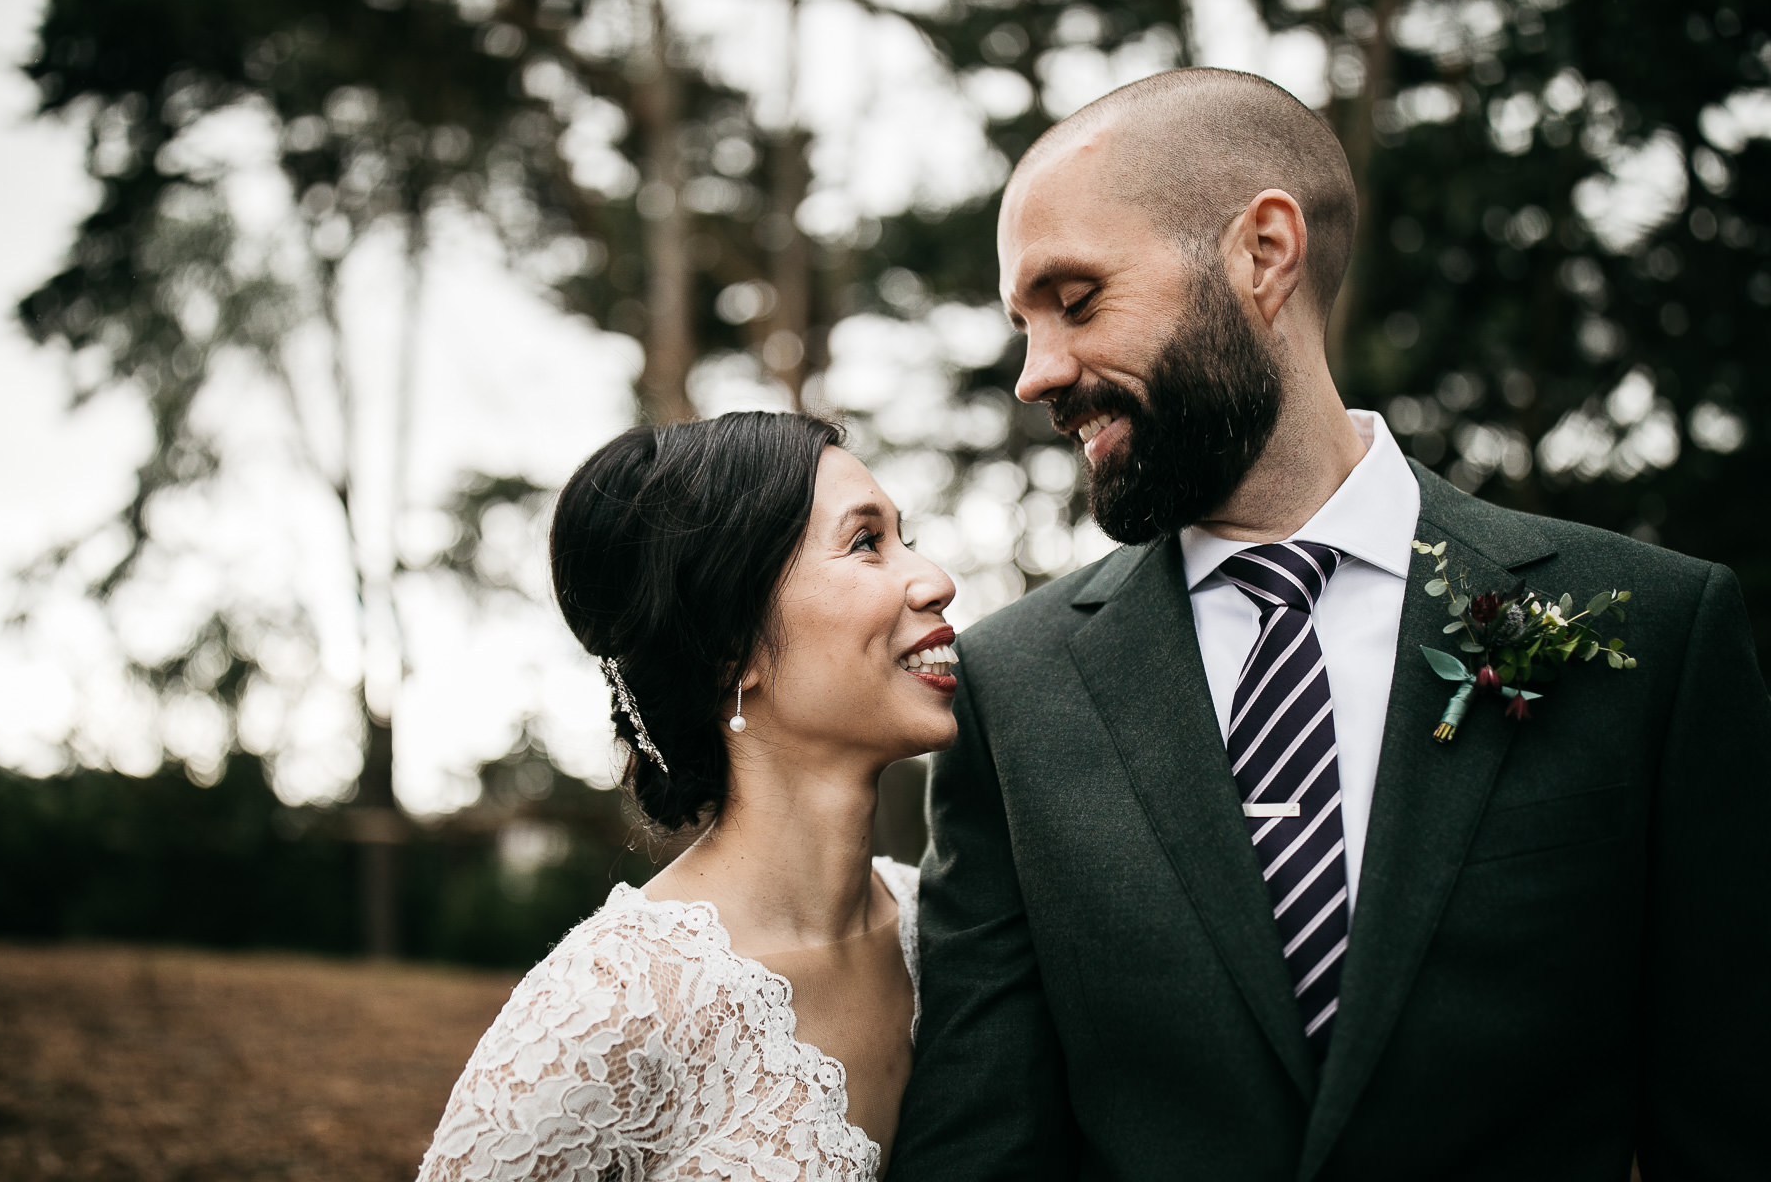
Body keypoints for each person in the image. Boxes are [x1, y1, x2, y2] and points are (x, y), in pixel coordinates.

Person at [888, 68, 1771, 1180]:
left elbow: (1733, 1116)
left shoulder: (1655, 629)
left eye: (1076, 300)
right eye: (1024, 325)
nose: (1037, 375)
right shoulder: (1011, 693)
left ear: (1263, 253)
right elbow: (982, 1148)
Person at [418, 411, 958, 1181]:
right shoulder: (615, 1005)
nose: (938, 579)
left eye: (906, 535)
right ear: (730, 653)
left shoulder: (946, 931)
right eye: (866, 542)